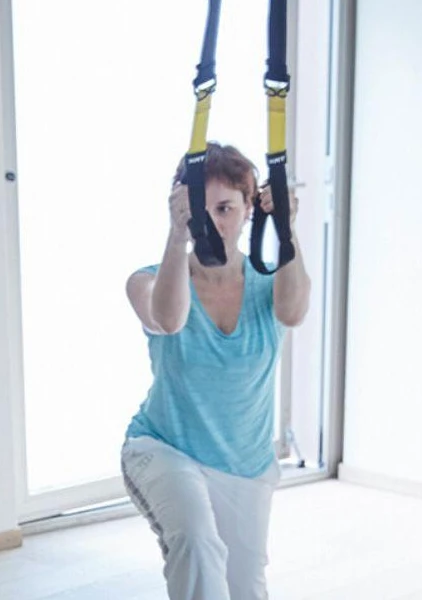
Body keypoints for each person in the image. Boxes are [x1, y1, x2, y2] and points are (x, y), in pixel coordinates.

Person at [121, 142, 310, 600]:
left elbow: (295, 310)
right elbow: (166, 319)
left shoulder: (269, 282)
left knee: (245, 590)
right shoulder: (149, 278)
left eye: (225, 208)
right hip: (165, 450)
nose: (213, 224)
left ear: (249, 208)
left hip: (246, 466)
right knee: (198, 543)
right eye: (200, 212)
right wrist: (175, 237)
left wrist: (286, 228)